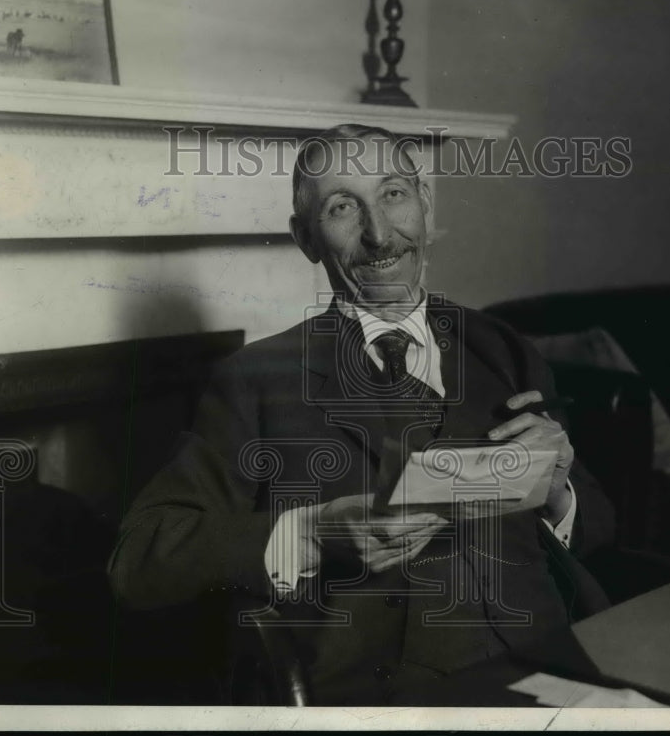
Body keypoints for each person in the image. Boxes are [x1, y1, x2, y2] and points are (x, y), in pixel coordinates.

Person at [108, 123, 617, 705]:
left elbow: (599, 525)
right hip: (390, 698)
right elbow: (139, 561)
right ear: (305, 239)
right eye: (343, 207)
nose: (380, 235)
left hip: (558, 665)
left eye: (394, 194)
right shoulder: (255, 380)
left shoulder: (499, 347)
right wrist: (313, 534)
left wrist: (560, 488)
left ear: (424, 205)